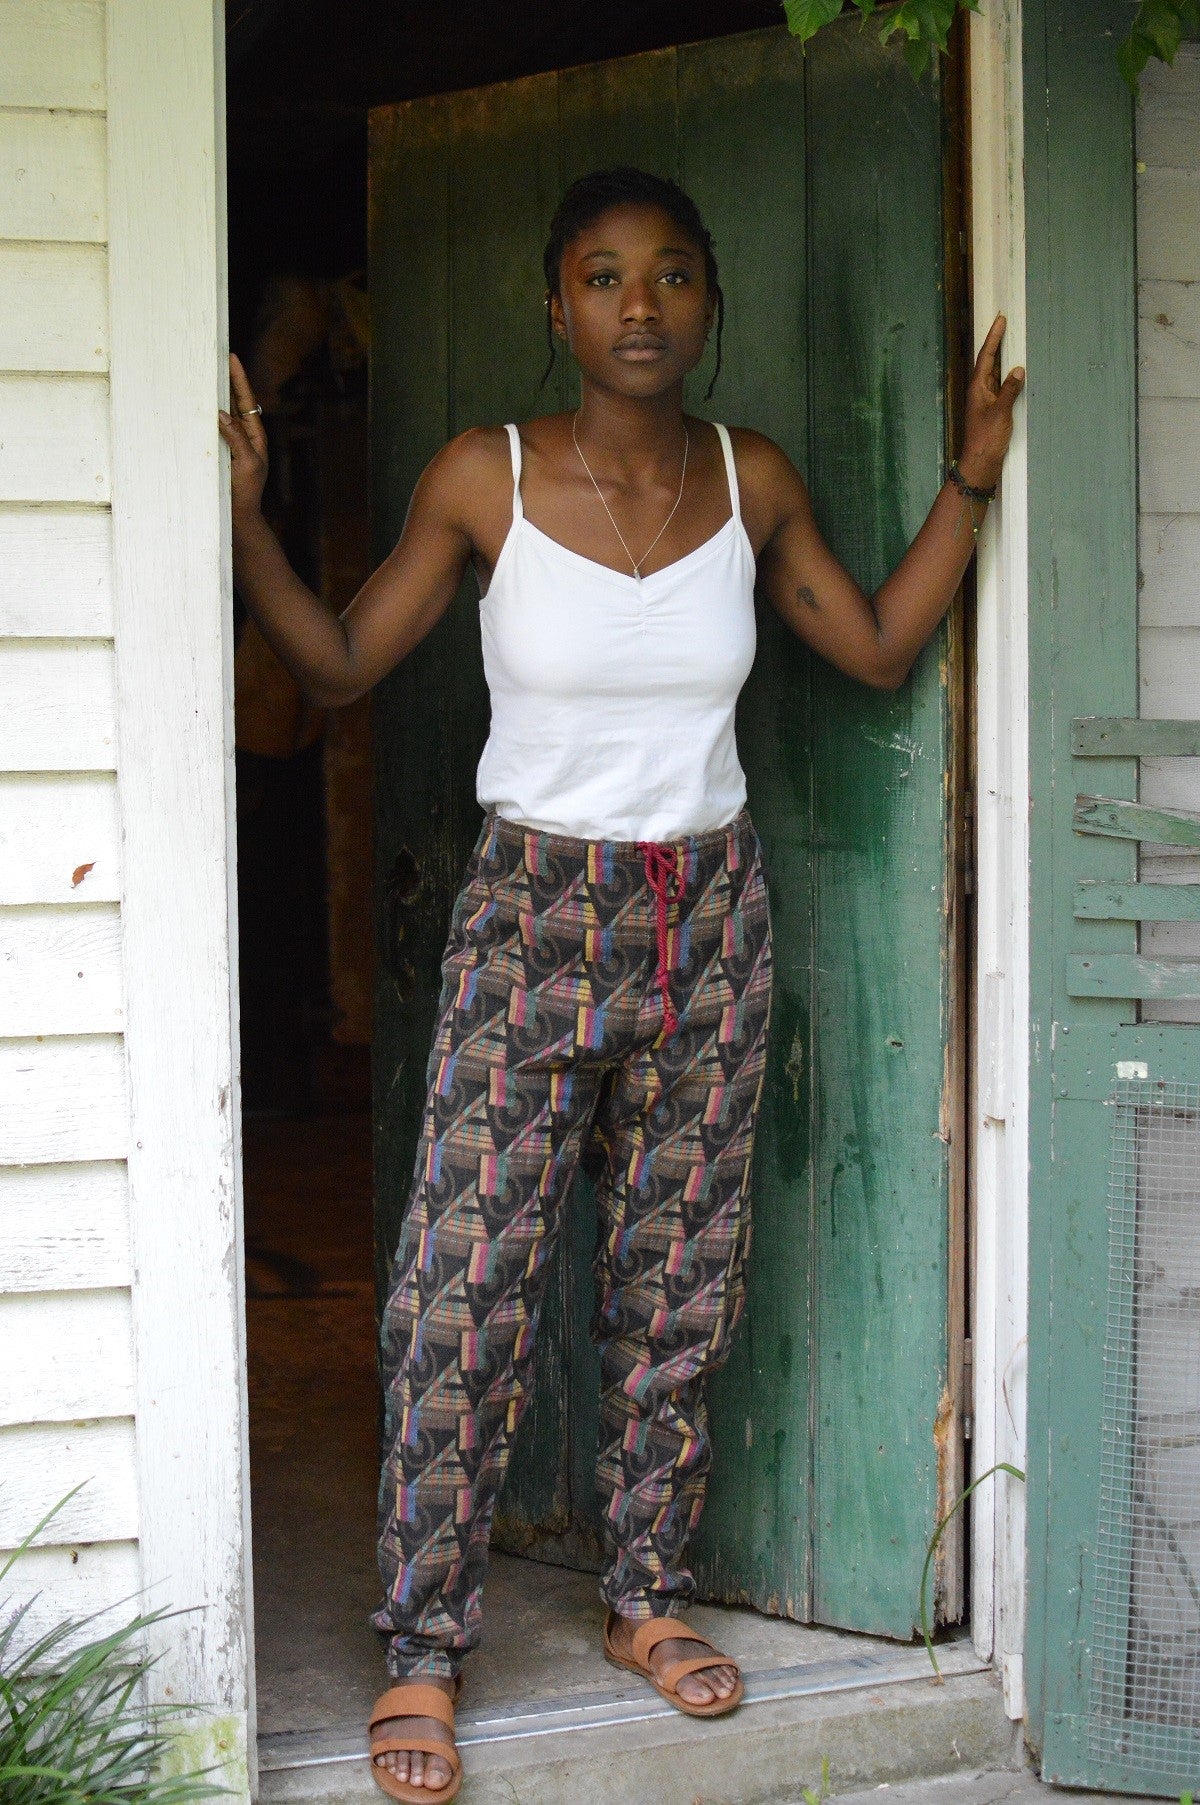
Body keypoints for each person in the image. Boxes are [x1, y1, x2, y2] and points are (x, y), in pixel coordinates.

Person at [219, 165, 1024, 1803]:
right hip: (530, 914)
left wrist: (969, 480)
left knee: (676, 1290)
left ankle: (644, 1594)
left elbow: (877, 646)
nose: (638, 305)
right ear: (557, 306)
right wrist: (242, 517)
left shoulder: (749, 478)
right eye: (603, 276)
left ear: (709, 298)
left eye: (668, 274)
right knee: (462, 1293)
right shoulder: (488, 477)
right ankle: (422, 1644)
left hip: (706, 916)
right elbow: (341, 664)